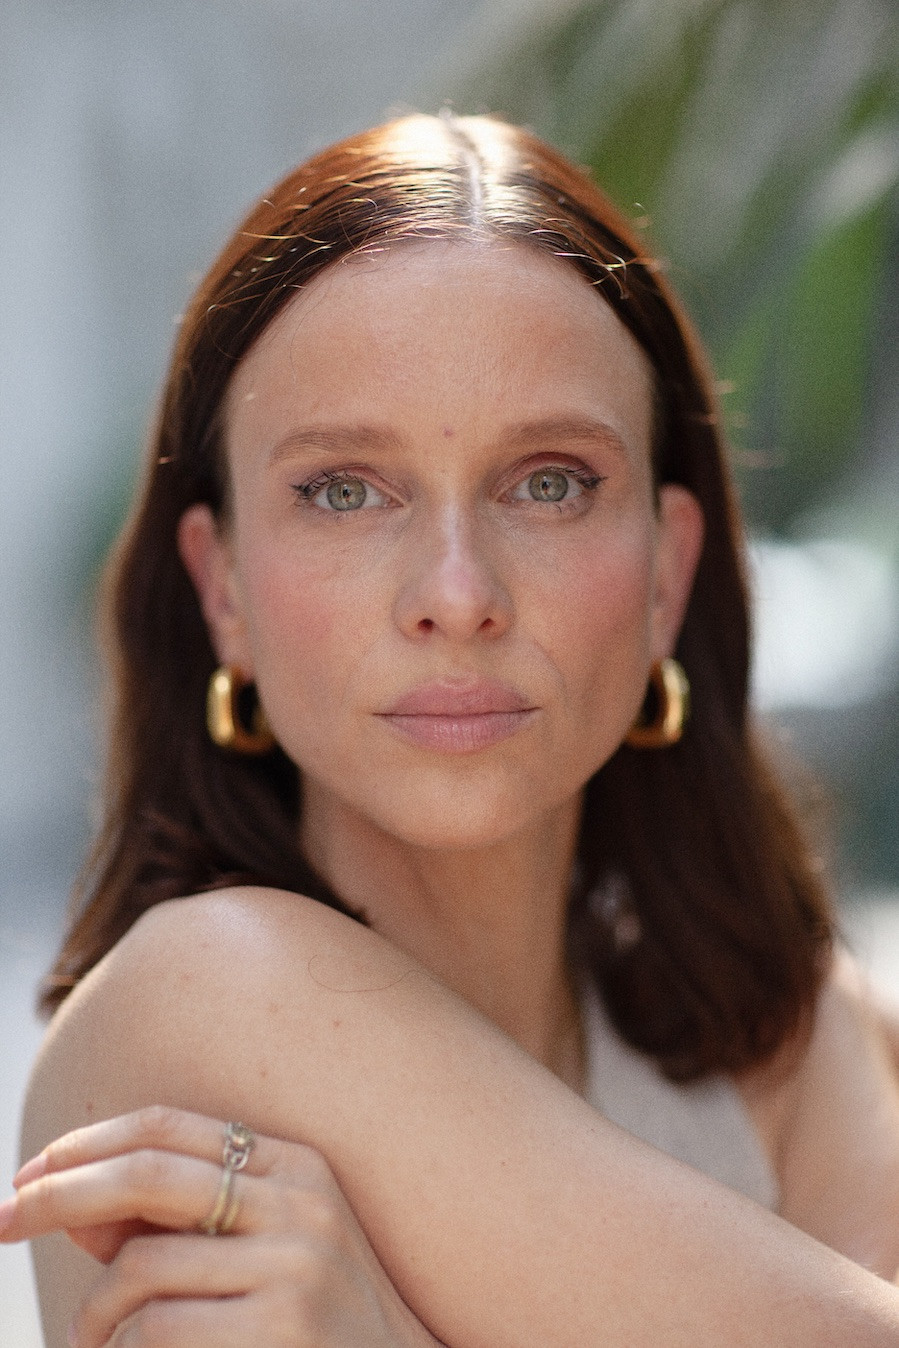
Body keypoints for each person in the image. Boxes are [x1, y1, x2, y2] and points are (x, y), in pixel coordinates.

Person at [4, 111, 899, 1347]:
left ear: (666, 572)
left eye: (548, 481)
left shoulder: (788, 1028)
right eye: (343, 490)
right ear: (222, 590)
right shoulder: (197, 999)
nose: (457, 593)